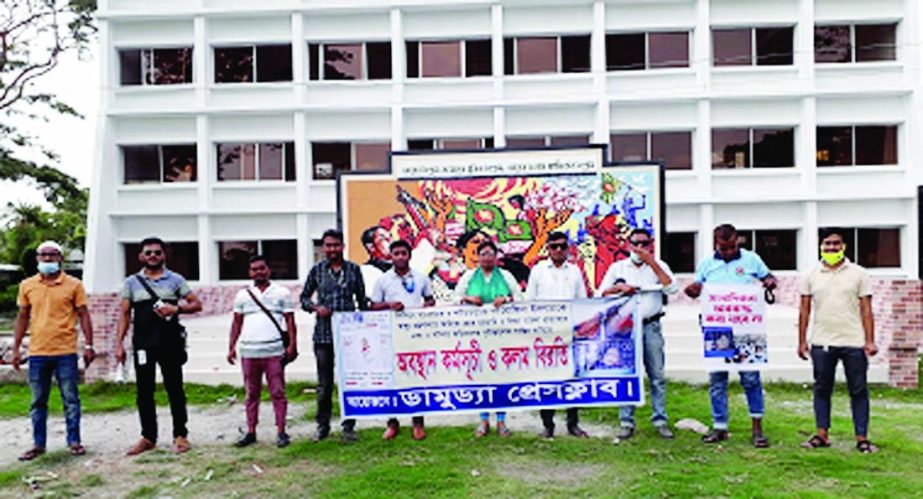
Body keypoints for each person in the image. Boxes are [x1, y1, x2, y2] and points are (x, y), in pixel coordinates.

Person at [684, 224, 777, 448]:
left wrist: (769, 282)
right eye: (723, 248)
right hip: (717, 330)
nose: (728, 252)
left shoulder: (752, 259)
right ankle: (720, 427)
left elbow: (769, 277)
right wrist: (692, 290)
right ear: (716, 243)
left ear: (738, 241)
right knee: (717, 380)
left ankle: (757, 428)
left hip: (747, 330)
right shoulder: (707, 263)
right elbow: (697, 287)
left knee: (751, 379)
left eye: (732, 247)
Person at [116, 237, 203, 455]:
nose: (153, 256)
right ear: (141, 256)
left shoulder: (175, 280)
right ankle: (148, 437)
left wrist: (175, 309)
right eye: (148, 252)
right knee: (144, 392)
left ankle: (180, 436)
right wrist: (119, 344)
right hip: (143, 344)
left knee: (175, 389)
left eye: (157, 252)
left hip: (170, 342)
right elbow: (125, 315)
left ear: (164, 255)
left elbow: (196, 304)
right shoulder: (131, 283)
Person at [798, 228, 879, 453]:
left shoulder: (859, 273)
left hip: (854, 341)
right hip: (822, 342)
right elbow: (804, 310)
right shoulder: (810, 274)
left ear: (844, 246)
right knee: (822, 389)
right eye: (827, 244)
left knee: (858, 390)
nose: (831, 248)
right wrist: (802, 341)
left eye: (836, 244)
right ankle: (822, 434)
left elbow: (866, 310)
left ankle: (862, 438)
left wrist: (870, 341)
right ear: (820, 246)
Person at [13, 241, 95, 461]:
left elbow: (84, 314)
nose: (48, 259)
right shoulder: (27, 285)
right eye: (43, 255)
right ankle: (38, 444)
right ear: (37, 258)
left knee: (71, 398)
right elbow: (22, 316)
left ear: (60, 258)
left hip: (65, 351)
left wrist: (89, 345)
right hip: (38, 351)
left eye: (52, 255)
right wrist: (16, 348)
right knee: (38, 401)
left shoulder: (74, 285)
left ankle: (74, 441)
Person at [597, 228, 677, 440]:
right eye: (636, 244)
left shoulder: (658, 265)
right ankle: (626, 421)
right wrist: (619, 289)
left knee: (657, 375)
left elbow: (671, 288)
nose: (640, 248)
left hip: (651, 325)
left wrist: (651, 262)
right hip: (626, 328)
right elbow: (601, 293)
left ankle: (660, 419)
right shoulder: (618, 267)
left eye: (644, 244)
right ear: (628, 244)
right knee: (628, 374)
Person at [300, 228, 368, 442]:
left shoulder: (354, 270)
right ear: (323, 247)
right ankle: (323, 427)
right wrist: (316, 307)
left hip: (349, 336)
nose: (332, 249)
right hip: (323, 336)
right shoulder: (317, 271)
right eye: (328, 245)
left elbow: (362, 301)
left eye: (336, 245)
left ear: (343, 246)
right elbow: (303, 299)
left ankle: (349, 427)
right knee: (324, 385)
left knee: (350, 382)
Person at [227, 255, 298, 449]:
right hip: (249, 352)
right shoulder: (243, 295)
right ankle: (251, 431)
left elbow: (290, 321)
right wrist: (231, 346)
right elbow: (237, 322)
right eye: (254, 269)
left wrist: (292, 345)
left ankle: (281, 431)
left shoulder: (282, 293)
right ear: (249, 272)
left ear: (269, 270)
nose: (258, 272)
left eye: (262, 268)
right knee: (251, 394)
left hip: (274, 351)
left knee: (278, 392)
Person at [525, 232, 590, 439]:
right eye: (554, 247)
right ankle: (548, 424)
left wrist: (581, 326)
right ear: (548, 249)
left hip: (570, 333)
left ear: (568, 248)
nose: (559, 250)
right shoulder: (538, 271)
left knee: (572, 378)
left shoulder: (575, 271)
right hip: (546, 334)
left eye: (563, 246)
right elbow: (530, 302)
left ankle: (573, 424)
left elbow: (583, 301)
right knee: (547, 379)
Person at [455, 240, 523, 437]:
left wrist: (507, 299)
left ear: (496, 256)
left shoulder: (506, 276)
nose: (486, 257)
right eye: (483, 253)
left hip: (502, 336)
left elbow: (520, 298)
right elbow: (454, 298)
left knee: (501, 376)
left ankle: (502, 421)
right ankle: (483, 420)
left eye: (490, 254)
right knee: (481, 377)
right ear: (477, 256)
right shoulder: (469, 276)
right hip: (476, 337)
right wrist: (469, 299)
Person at [370, 240, 436, 441]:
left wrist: (425, 309)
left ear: (409, 255)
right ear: (390, 256)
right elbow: (373, 306)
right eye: (396, 253)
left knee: (416, 377)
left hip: (414, 336)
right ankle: (392, 423)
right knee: (391, 379)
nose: (400, 257)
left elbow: (430, 300)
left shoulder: (421, 277)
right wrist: (388, 305)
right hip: (389, 335)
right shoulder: (383, 280)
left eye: (403, 253)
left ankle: (417, 423)